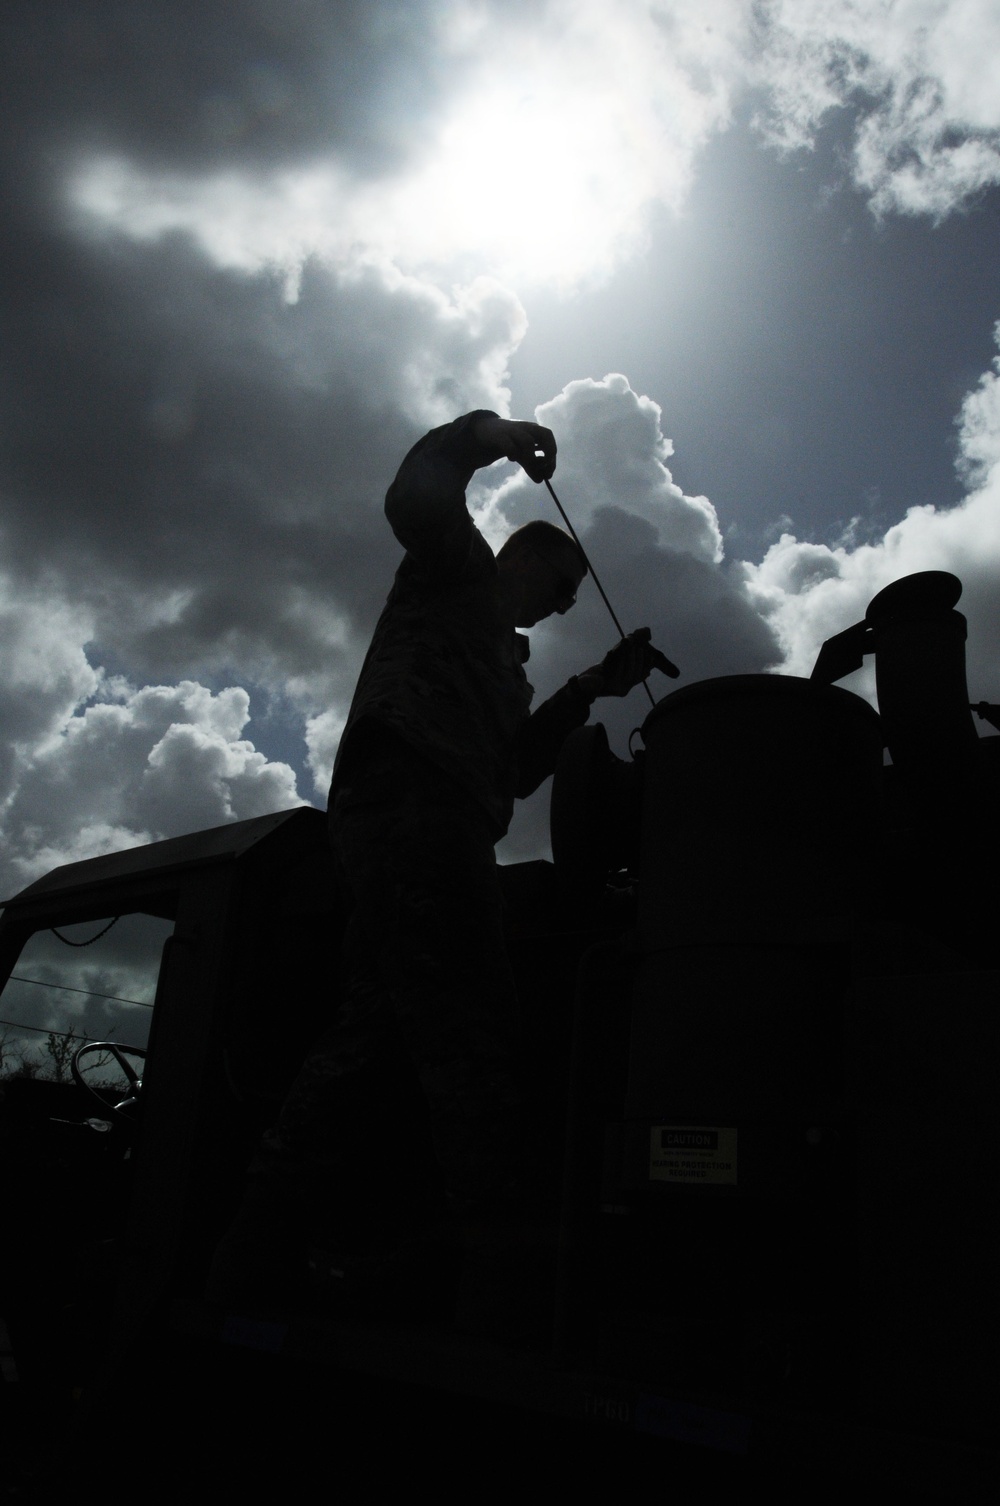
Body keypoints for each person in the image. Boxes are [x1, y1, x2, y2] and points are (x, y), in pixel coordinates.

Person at [208, 410, 674, 1319]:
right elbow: (415, 496)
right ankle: (499, 1266)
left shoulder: (510, 664)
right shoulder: (454, 572)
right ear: (523, 556)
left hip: (447, 817)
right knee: (473, 1021)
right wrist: (489, 434)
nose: (567, 604)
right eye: (563, 583)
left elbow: (516, 769)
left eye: (576, 597)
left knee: (377, 1029)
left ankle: (259, 1247)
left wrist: (590, 688)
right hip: (408, 803)